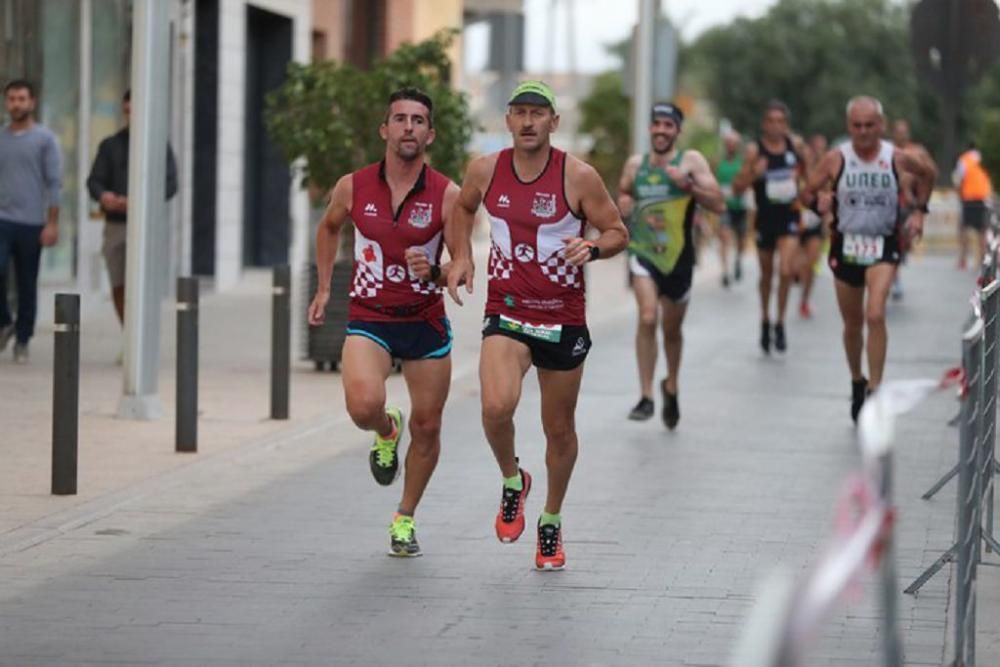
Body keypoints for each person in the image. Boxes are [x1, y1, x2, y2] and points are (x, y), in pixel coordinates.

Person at [446, 81, 628, 570]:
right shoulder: (485, 170)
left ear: (554, 121)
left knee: (559, 431)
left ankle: (551, 519)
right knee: (494, 406)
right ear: (507, 121)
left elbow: (617, 232)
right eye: (520, 112)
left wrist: (592, 247)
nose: (528, 122)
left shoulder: (579, 176)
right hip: (507, 310)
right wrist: (461, 255)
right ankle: (513, 480)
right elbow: (462, 207)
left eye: (538, 113)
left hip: (562, 317)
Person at [307, 88, 461, 558]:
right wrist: (324, 286)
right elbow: (329, 226)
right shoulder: (352, 186)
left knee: (430, 426)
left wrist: (432, 272)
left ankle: (404, 517)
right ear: (385, 130)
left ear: (430, 134)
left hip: (424, 322)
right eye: (400, 119)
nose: (408, 127)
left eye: (418, 120)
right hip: (370, 316)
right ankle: (385, 430)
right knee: (362, 406)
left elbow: (460, 266)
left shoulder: (448, 195)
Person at [801, 96, 935, 422]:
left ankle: (876, 390)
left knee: (875, 314)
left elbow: (928, 173)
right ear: (849, 127)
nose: (863, 132)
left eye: (870, 125)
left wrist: (919, 213)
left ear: (881, 126)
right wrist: (816, 202)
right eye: (857, 126)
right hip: (846, 245)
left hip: (883, 245)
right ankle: (857, 380)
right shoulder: (836, 159)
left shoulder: (898, 157)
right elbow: (805, 192)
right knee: (853, 324)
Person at [617, 103, 724, 426]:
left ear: (677, 130)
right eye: (656, 124)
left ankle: (671, 385)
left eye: (668, 125)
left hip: (679, 258)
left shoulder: (690, 161)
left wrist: (688, 185)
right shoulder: (636, 165)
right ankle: (646, 395)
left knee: (672, 329)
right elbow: (623, 193)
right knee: (648, 317)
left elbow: (718, 203)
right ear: (650, 129)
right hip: (643, 253)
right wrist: (624, 203)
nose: (661, 130)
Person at [87, 89, 178, 329]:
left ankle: (141, 335)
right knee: (118, 282)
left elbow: (171, 184)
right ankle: (128, 334)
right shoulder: (110, 145)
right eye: (129, 105)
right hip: (115, 224)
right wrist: (104, 196)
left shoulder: (158, 145)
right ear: (124, 108)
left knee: (141, 283)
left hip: (145, 226)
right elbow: (94, 181)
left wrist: (139, 201)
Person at [734, 100, 806, 354]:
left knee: (786, 271)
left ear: (786, 124)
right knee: (766, 275)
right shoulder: (755, 151)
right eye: (771, 121)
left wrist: (802, 185)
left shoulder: (795, 147)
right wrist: (755, 173)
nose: (776, 126)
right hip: (765, 218)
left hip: (789, 216)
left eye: (780, 121)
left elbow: (811, 177)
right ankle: (765, 318)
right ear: (764, 124)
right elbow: (737, 187)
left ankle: (780, 322)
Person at [0, 79, 62, 363]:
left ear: (32, 102)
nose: (16, 104)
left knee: (26, 283)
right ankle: (4, 321)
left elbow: (55, 184)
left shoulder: (45, 139)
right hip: (2, 219)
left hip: (31, 223)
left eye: (21, 99)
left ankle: (23, 338)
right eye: (11, 99)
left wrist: (52, 223)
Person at [890, 119, 937, 300]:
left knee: (903, 243)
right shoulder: (885, 151)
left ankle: (898, 262)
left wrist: (920, 206)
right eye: (898, 132)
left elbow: (931, 172)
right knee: (891, 244)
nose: (901, 135)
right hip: (889, 203)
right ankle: (893, 278)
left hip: (908, 204)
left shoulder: (917, 151)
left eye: (904, 132)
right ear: (893, 133)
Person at [797, 133, 829, 318]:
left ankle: (804, 300)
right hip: (794, 223)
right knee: (794, 266)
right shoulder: (794, 172)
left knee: (811, 263)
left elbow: (827, 198)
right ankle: (798, 280)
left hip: (814, 224)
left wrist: (826, 220)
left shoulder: (823, 173)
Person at [953, 141, 994, 270]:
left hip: (969, 198)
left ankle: (963, 259)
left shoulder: (964, 159)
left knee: (963, 228)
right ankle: (982, 259)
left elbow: (958, 180)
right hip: (983, 199)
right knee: (982, 230)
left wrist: (959, 194)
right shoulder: (986, 159)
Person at [715, 130, 748, 286]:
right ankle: (725, 272)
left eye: (733, 143)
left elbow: (748, 182)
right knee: (725, 237)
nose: (731, 146)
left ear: (737, 146)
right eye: (728, 143)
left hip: (741, 206)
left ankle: (738, 260)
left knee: (741, 239)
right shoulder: (718, 163)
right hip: (724, 207)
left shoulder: (743, 163)